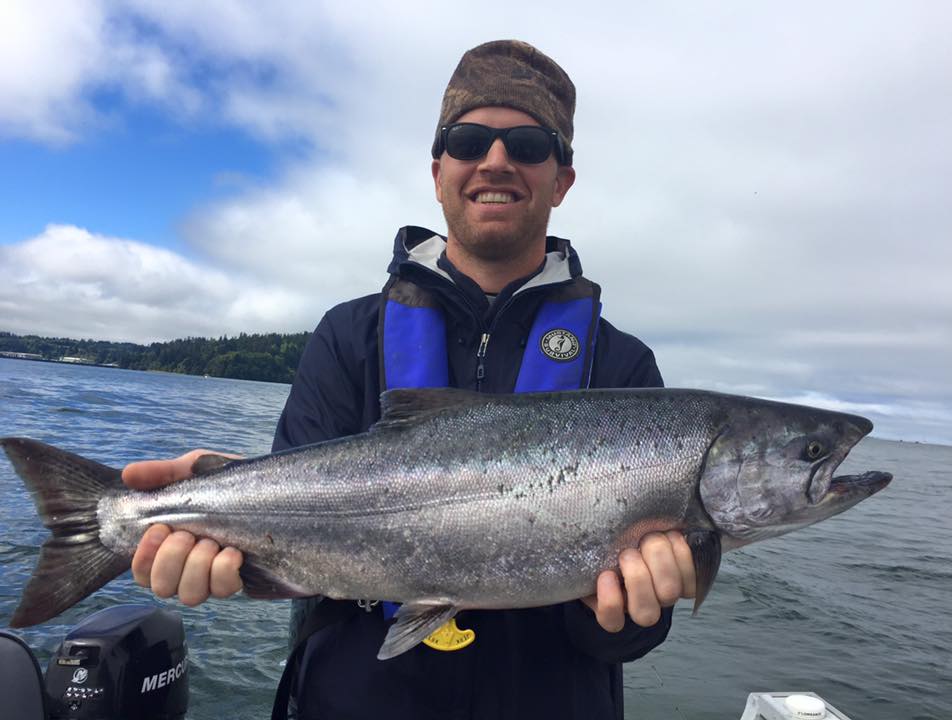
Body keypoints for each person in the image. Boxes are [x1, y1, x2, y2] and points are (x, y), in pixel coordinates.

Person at [123, 40, 696, 719]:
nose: (495, 161)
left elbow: (630, 637)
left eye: (529, 144)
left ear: (562, 179)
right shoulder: (349, 338)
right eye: (468, 139)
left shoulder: (624, 371)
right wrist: (214, 518)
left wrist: (630, 616)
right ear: (438, 169)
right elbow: (289, 537)